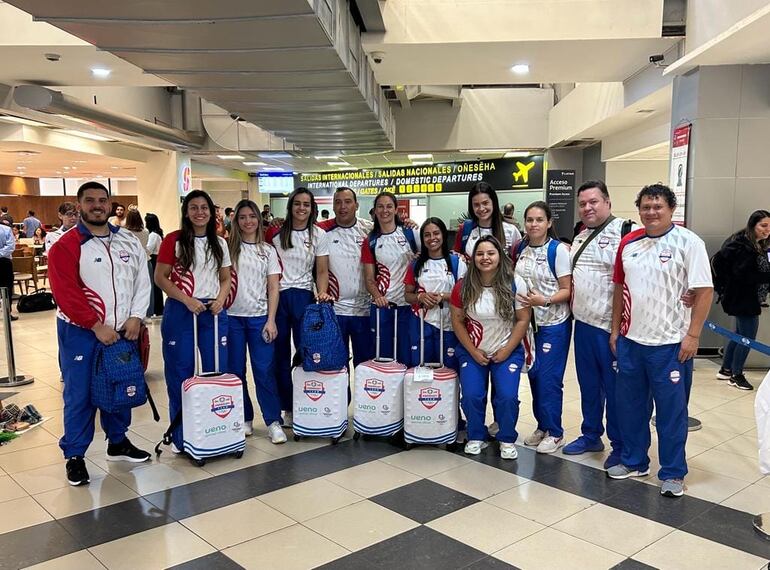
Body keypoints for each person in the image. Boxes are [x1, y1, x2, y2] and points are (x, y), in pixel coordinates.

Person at [609, 184, 713, 498]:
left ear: (671, 209)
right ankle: (635, 460)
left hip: (670, 345)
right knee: (630, 408)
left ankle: (672, 472)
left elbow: (704, 290)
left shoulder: (688, 242)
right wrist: (616, 330)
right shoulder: (629, 242)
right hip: (631, 342)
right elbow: (619, 288)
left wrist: (693, 335)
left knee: (671, 413)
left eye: (658, 206)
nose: (651, 212)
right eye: (645, 207)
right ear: (638, 210)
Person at [48, 181, 152, 486]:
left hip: (122, 333)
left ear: (110, 205)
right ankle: (75, 455)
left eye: (102, 200)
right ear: (79, 205)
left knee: (121, 387)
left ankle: (117, 442)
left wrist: (136, 317)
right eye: (90, 200)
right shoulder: (66, 245)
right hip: (81, 332)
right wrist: (95, 326)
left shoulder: (129, 242)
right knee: (79, 394)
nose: (97, 205)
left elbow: (141, 282)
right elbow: (65, 292)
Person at [562, 181, 635, 467]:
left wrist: (618, 329)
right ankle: (591, 434)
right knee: (589, 386)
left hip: (610, 329)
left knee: (615, 390)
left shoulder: (625, 233)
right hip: (583, 326)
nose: (588, 208)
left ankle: (619, 444)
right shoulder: (579, 236)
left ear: (607, 202)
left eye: (593, 202)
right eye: (583, 204)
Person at [155, 190, 232, 453]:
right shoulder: (173, 240)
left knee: (216, 370)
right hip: (181, 309)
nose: (199, 212)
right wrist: (186, 300)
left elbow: (225, 278)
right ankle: (180, 434)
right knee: (181, 372)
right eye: (194, 208)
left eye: (204, 208)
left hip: (212, 311)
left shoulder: (219, 243)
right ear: (186, 212)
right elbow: (161, 277)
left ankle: (214, 428)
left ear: (212, 213)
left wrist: (221, 299)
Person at [450, 235, 531, 459]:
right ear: (473, 257)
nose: (485, 258)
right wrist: (474, 351)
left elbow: (523, 319)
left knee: (506, 396)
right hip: (473, 349)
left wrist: (506, 350)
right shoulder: (462, 286)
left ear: (499, 256)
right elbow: (457, 321)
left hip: (507, 350)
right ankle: (476, 436)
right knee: (472, 395)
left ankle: (506, 437)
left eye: (490, 253)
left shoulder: (515, 282)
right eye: (480, 253)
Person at [265, 187, 331, 425]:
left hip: (304, 298)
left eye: (306, 204)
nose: (301, 208)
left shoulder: (318, 235)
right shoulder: (275, 233)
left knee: (306, 353)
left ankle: (310, 403)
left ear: (312, 208)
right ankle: (288, 406)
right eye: (297, 203)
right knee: (280, 355)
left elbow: (321, 270)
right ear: (291, 205)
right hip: (280, 297)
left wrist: (322, 292)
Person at [514, 201, 573, 454]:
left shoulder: (558, 250)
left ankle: (556, 431)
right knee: (536, 375)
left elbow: (567, 290)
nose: (534, 224)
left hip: (553, 324)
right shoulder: (521, 248)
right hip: (528, 326)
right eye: (529, 220)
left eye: (539, 220)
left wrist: (545, 300)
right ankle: (543, 425)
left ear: (549, 223)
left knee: (550, 378)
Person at [226, 199, 285, 443]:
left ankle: (273, 421)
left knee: (263, 371)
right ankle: (245, 418)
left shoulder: (268, 250)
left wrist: (271, 320)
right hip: (231, 319)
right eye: (242, 217)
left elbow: (273, 287)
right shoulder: (226, 249)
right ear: (235, 221)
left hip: (259, 319)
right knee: (235, 372)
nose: (247, 221)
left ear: (258, 220)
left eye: (252, 216)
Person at [317, 187, 376, 367]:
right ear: (333, 206)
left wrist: (409, 225)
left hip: (364, 310)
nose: (343, 206)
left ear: (356, 205)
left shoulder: (370, 229)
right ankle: (342, 397)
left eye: (348, 202)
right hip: (335, 310)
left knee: (365, 366)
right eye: (338, 202)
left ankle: (363, 397)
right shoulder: (321, 231)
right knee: (336, 367)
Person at [713, 209, 770, 390]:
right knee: (747, 337)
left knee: (738, 335)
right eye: (763, 225)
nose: (767, 230)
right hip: (743, 299)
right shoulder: (744, 246)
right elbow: (744, 275)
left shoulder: (755, 244)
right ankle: (737, 375)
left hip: (741, 298)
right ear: (753, 225)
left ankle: (726, 369)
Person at [362, 191, 420, 365]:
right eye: (380, 206)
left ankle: (406, 392)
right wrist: (378, 297)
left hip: (408, 306)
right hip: (383, 307)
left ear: (396, 210)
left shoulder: (410, 233)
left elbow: (427, 261)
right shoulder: (371, 240)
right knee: (383, 358)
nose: (384, 210)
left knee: (407, 358)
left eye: (389, 206)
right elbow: (369, 278)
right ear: (375, 210)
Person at [405, 217, 466, 369]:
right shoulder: (416, 264)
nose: (432, 238)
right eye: (427, 235)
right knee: (421, 370)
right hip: (421, 325)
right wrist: (421, 297)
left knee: (449, 372)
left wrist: (443, 296)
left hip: (449, 325)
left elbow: (466, 295)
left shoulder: (456, 262)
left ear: (444, 235)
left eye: (436, 233)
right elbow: (407, 295)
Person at [454, 182, 522, 259]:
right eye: (476, 205)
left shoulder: (510, 230)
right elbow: (456, 257)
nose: (481, 208)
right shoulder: (465, 229)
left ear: (493, 202)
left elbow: (517, 261)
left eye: (485, 203)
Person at [144, 213, 164, 318]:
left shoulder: (153, 235)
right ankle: (159, 308)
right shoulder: (157, 234)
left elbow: (149, 249)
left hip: (154, 259)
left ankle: (157, 308)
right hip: (156, 258)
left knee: (154, 286)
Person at [0, 219, 15, 320]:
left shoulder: (6, 229)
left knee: (7, 288)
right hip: (4, 259)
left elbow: (11, 246)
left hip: (4, 262)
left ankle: (7, 313)